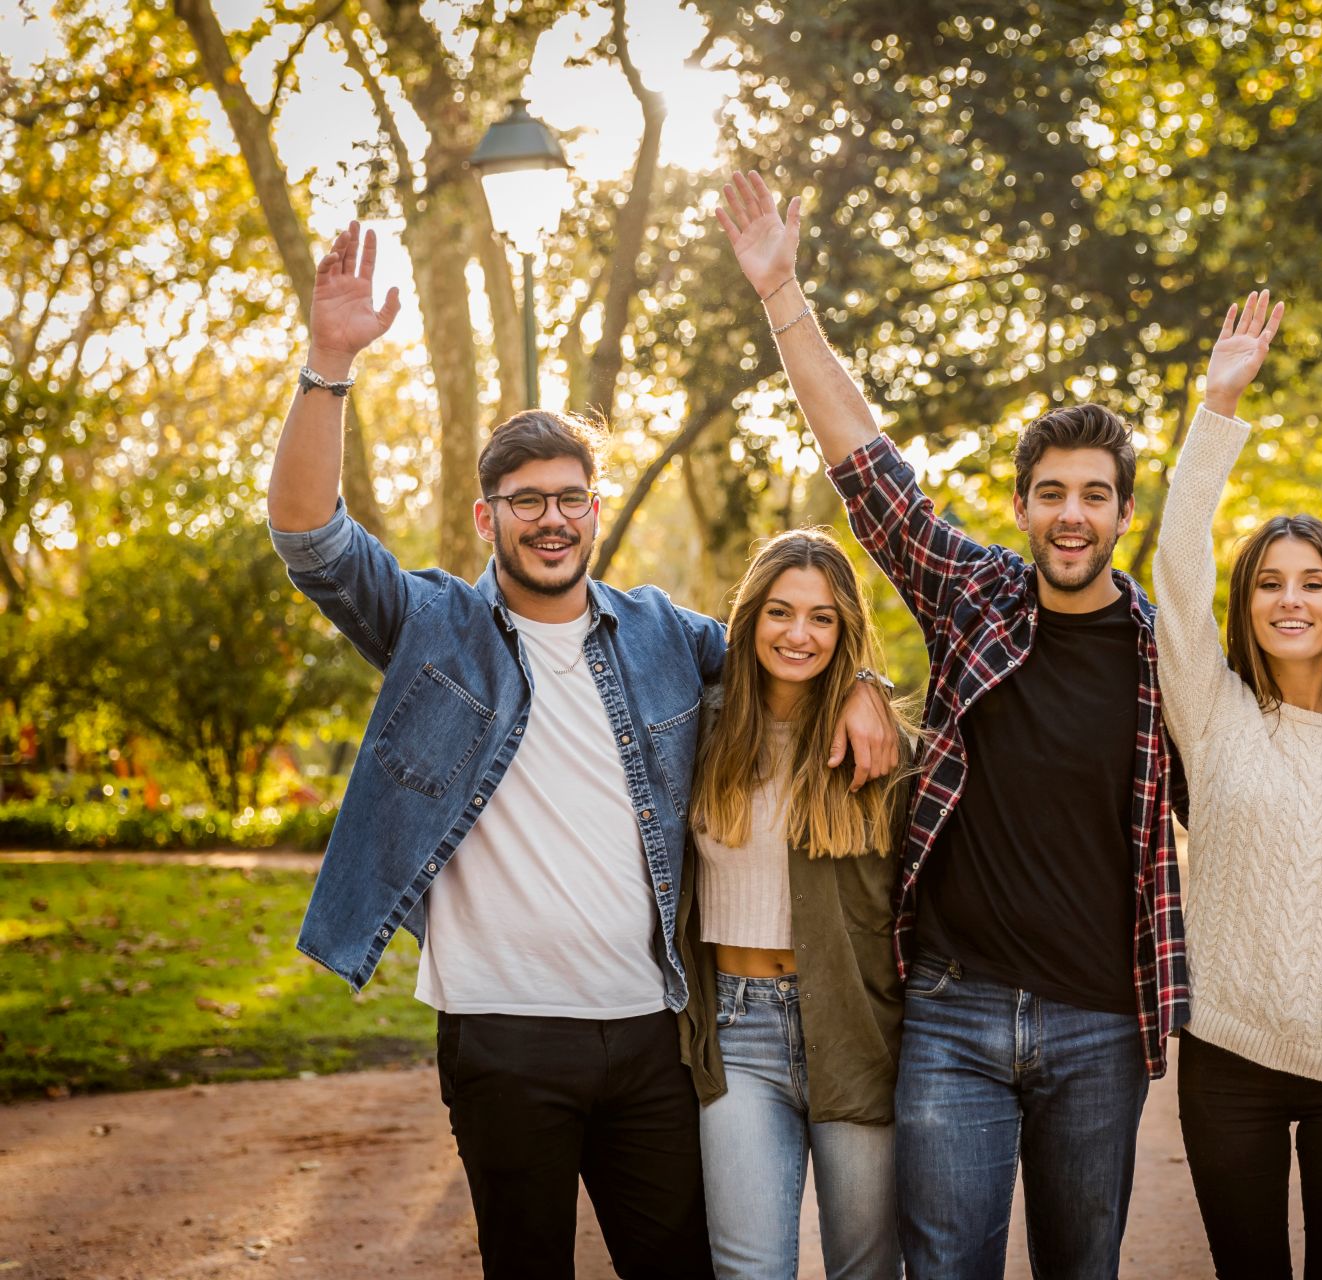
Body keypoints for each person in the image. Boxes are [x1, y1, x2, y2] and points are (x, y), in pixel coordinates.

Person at [266, 221, 898, 1280]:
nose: (550, 520)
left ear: (594, 511)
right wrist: (329, 365)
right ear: (488, 516)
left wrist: (868, 683)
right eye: (526, 503)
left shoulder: (661, 632)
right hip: (503, 1033)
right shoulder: (431, 627)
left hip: (653, 1029)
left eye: (569, 498)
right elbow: (308, 535)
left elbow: (784, 656)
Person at [714, 170, 1188, 1280]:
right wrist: (782, 291)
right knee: (942, 1266)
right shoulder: (973, 594)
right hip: (951, 1016)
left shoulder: (1172, 661)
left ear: (1123, 509)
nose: (1073, 514)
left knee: (1086, 1263)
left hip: (1097, 1023)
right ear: (1021, 502)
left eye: (1096, 494)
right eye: (1052, 492)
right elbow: (863, 463)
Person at [1153, 290, 1322, 1280]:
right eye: (1269, 581)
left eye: (1311, 581)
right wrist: (1217, 409)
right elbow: (1176, 567)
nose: (1291, 598)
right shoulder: (1212, 712)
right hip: (1228, 1056)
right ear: (1247, 602)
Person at [677, 528, 917, 1280]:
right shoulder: (694, 726)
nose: (799, 634)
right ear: (749, 618)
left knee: (866, 1268)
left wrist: (867, 684)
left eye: (821, 618)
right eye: (780, 612)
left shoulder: (880, 748)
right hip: (738, 1030)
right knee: (748, 1270)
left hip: (857, 1029)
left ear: (845, 629)